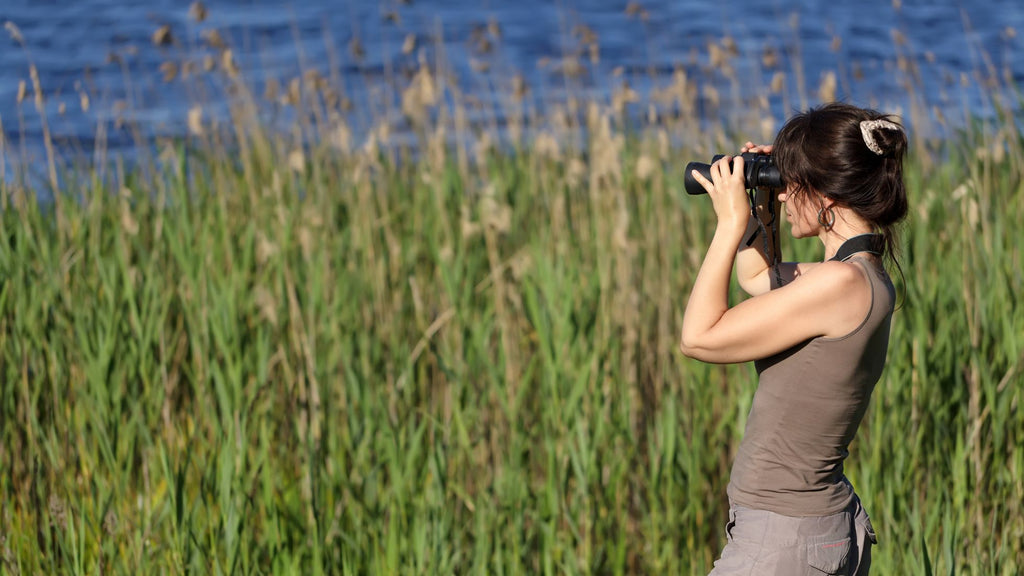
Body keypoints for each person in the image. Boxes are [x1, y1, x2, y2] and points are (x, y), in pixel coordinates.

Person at [680, 102, 908, 575]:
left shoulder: (838, 285)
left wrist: (727, 225)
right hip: (809, 530)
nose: (784, 196)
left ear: (825, 195)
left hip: (785, 540)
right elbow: (759, 278)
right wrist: (759, 206)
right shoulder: (858, 275)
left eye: (791, 186)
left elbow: (699, 337)